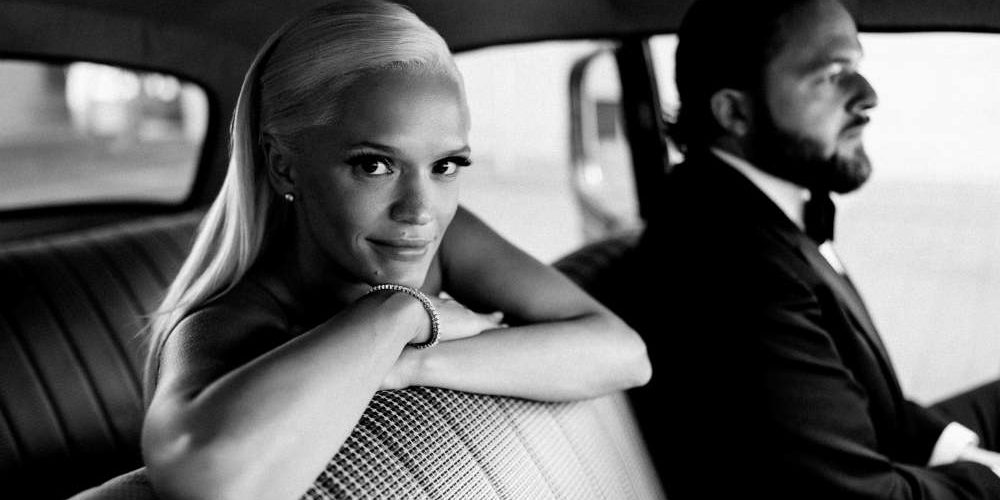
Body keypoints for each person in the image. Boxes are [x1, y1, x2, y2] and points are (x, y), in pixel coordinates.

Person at [138, 2, 652, 499]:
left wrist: (409, 364)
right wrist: (400, 313)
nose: (420, 211)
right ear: (283, 166)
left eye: (445, 166)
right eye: (374, 165)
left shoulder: (445, 239)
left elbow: (625, 354)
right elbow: (205, 479)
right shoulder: (229, 320)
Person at [625, 0, 1000, 498]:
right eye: (831, 75)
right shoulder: (731, 263)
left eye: (857, 67)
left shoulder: (750, 209)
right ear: (735, 111)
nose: (868, 96)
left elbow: (869, 404)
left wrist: (963, 450)